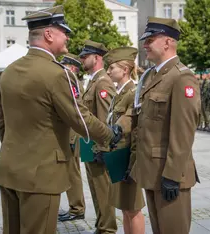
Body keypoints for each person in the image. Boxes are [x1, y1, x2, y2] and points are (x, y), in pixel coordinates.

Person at [0, 6, 122, 234]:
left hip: (9, 169)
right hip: (41, 174)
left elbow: (1, 124)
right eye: (64, 31)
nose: (68, 37)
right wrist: (111, 134)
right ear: (49, 35)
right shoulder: (57, 74)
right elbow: (80, 121)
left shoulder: (9, 72)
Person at [130, 17, 200, 234]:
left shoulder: (182, 77)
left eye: (150, 40)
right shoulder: (153, 76)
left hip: (170, 176)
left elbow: (183, 133)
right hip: (152, 172)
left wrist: (171, 175)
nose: (145, 45)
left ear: (168, 42)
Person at [105, 47, 146, 234]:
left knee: (133, 209)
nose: (108, 71)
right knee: (124, 208)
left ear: (125, 70)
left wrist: (132, 165)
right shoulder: (120, 92)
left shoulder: (133, 92)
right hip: (118, 156)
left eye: (111, 67)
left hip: (128, 158)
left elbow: (136, 131)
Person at [79, 40, 117, 234]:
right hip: (89, 146)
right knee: (96, 190)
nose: (82, 59)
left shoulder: (102, 82)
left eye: (85, 56)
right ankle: (102, 224)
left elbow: (105, 120)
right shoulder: (93, 81)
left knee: (103, 191)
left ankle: (107, 228)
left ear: (97, 58)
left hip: (98, 148)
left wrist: (103, 148)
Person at [58, 53, 86, 222]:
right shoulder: (69, 79)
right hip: (69, 133)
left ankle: (77, 208)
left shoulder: (70, 80)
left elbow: (74, 109)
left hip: (71, 134)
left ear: (72, 67)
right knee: (69, 172)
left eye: (65, 65)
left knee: (72, 173)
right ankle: (75, 207)